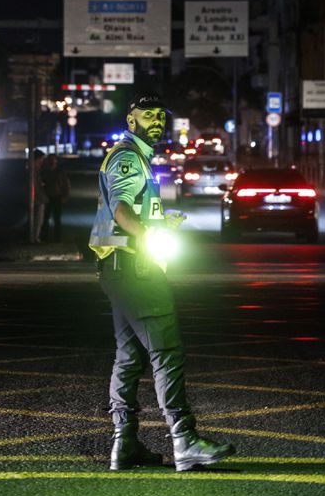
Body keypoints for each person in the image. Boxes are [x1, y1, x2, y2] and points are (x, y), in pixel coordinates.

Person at [89, 92, 235, 472]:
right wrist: (147, 235)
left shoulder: (138, 157)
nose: (156, 121)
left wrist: (158, 222)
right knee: (166, 351)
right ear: (131, 120)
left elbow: (133, 209)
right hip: (135, 268)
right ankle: (184, 440)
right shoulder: (127, 157)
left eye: (159, 116)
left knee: (129, 357)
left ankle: (124, 443)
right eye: (147, 115)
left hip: (118, 268)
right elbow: (121, 209)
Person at [41, 154, 71, 242]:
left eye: (53, 160)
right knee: (45, 218)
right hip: (47, 197)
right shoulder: (45, 172)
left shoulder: (60, 172)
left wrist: (65, 196)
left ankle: (57, 238)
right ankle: (45, 236)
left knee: (57, 219)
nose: (52, 162)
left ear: (56, 161)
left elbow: (66, 184)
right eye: (50, 160)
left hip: (57, 197)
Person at [31, 149, 48, 243]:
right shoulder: (33, 171)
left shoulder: (36, 170)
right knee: (37, 220)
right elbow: (36, 186)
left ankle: (35, 237)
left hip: (38, 199)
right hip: (37, 199)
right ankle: (35, 238)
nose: (42, 162)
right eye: (41, 160)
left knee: (38, 220)